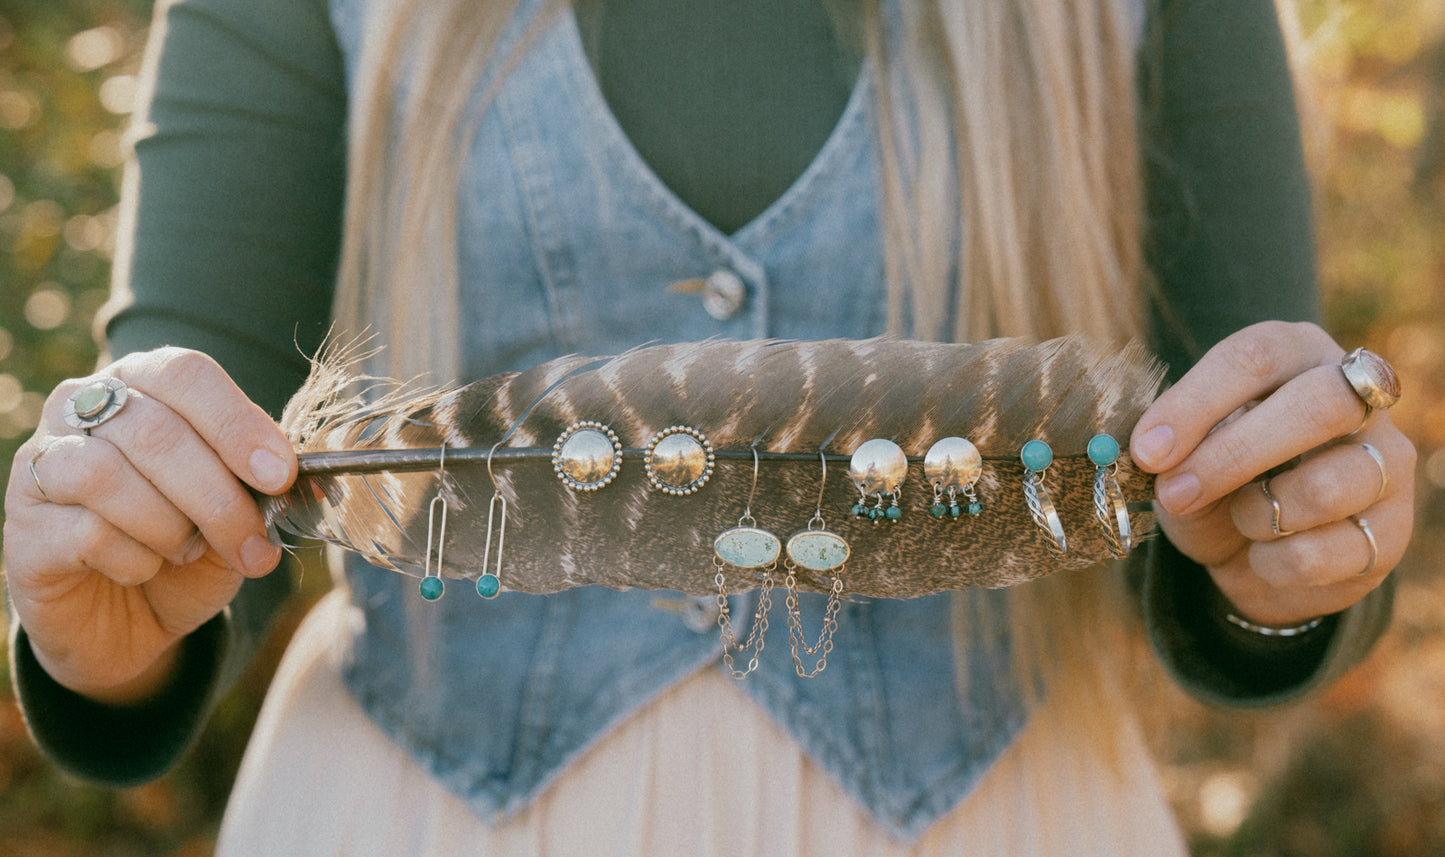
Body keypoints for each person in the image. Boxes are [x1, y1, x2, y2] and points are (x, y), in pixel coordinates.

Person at [4, 0, 1415, 852]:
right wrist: (105, 608)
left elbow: (1254, 508)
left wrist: (1297, 565)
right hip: (420, 823)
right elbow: (175, 493)